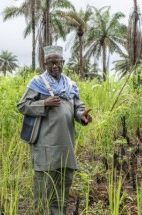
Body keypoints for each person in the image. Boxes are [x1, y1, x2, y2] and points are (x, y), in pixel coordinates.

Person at [17, 45, 92, 215]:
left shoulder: (70, 85)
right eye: (50, 63)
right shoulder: (37, 83)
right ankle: (42, 212)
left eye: (57, 62)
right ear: (45, 63)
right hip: (45, 143)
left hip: (66, 144)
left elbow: (78, 106)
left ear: (63, 62)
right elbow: (23, 106)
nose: (54, 66)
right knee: (44, 182)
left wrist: (82, 116)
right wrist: (44, 103)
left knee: (64, 181)